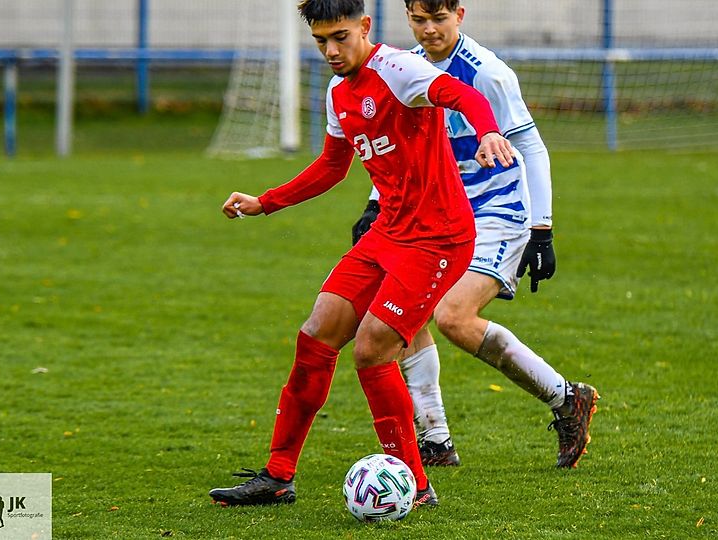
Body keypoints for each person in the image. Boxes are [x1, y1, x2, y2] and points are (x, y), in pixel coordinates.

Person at [210, 0, 515, 508]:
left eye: (341, 37)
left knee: (372, 348)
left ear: (365, 27)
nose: (331, 50)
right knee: (316, 333)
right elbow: (332, 167)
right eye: (321, 41)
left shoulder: (398, 69)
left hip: (439, 237)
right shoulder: (338, 92)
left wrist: (486, 132)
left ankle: (416, 486)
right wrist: (265, 202)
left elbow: (459, 93)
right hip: (390, 233)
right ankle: (278, 475)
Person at [351, 0, 598, 469]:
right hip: (434, 213)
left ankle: (567, 399)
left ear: (459, 16)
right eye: (418, 20)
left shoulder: (487, 73)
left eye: (438, 19)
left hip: (496, 209)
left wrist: (541, 229)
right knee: (405, 310)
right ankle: (436, 440)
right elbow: (401, 146)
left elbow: (529, 144)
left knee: (453, 317)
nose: (428, 30)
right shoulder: (407, 69)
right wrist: (374, 204)